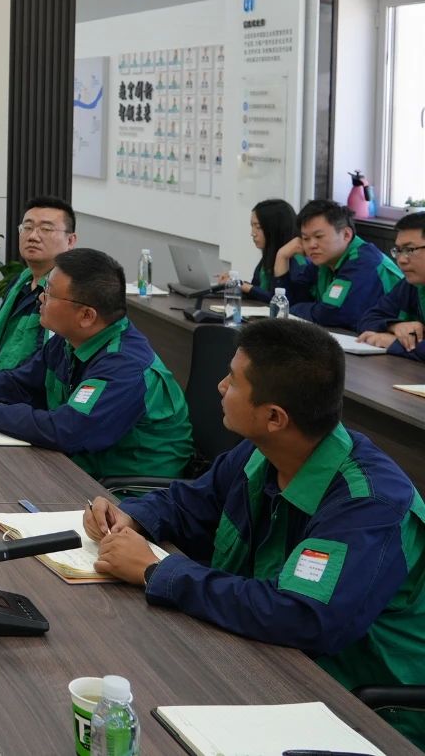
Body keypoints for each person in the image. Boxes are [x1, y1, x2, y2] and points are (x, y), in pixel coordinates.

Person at [86, 319, 425, 747]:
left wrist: (156, 570)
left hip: (357, 707)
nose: (219, 386)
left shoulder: (369, 504)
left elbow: (301, 616)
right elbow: (189, 502)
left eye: (233, 381)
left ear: (275, 417)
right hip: (259, 657)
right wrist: (130, 516)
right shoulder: (264, 451)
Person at [0, 248, 192, 482]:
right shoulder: (70, 339)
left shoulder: (126, 366)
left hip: (128, 491)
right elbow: (20, 382)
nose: (40, 298)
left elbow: (68, 430)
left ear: (86, 315)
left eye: (50, 293)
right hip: (78, 467)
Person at [0, 197, 77, 375]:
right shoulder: (20, 282)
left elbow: (38, 366)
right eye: (27, 227)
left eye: (46, 229)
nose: (33, 236)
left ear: (70, 241)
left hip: (16, 388)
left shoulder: (64, 294)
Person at [274, 200, 402, 329]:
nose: (311, 245)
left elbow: (331, 314)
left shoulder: (364, 261)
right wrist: (282, 257)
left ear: (346, 235)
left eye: (319, 236)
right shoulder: (324, 260)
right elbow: (288, 300)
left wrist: (295, 308)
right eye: (306, 238)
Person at [357, 211, 425, 360]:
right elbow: (367, 319)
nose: (401, 260)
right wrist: (395, 326)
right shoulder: (410, 284)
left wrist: (395, 343)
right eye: (399, 251)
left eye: (410, 250)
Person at [216, 198, 297, 302]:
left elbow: (280, 300)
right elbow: (257, 289)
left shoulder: (294, 260)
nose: (252, 233)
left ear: (275, 228)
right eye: (252, 226)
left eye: (258, 227)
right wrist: (235, 283)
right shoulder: (268, 256)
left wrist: (242, 285)